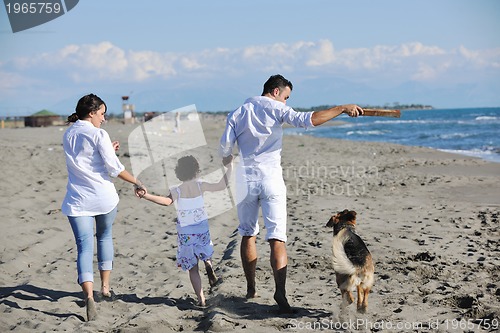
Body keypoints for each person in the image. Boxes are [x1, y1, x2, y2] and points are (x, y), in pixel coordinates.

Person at [219, 74, 363, 313]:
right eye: (286, 97)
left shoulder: (237, 113)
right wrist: (341, 108)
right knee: (277, 238)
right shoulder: (276, 108)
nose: (285, 102)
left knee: (248, 233)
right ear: (276, 92)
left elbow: (225, 151)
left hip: (245, 179)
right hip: (271, 180)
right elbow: (307, 120)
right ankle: (280, 292)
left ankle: (251, 287)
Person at [62, 93, 145, 321]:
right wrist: (136, 181)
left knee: (84, 248)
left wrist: (107, 147)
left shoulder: (69, 133)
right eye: (102, 114)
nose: (104, 119)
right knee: (105, 237)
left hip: (77, 200)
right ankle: (105, 289)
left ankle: (88, 296)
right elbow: (113, 169)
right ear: (92, 113)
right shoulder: (99, 133)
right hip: (103, 198)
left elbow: (85, 158)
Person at [136, 155, 232, 307]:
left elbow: (166, 202)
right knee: (206, 252)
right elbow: (221, 185)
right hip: (201, 229)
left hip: (186, 233)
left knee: (193, 268)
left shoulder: (177, 190)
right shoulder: (201, 185)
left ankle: (201, 300)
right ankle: (208, 263)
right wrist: (229, 167)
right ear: (196, 171)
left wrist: (146, 195)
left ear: (178, 173)